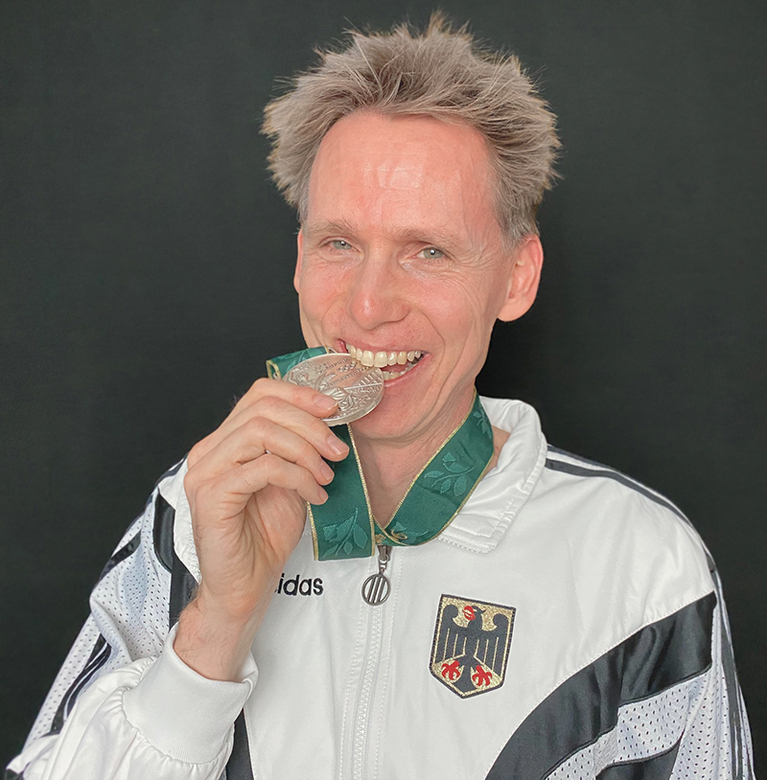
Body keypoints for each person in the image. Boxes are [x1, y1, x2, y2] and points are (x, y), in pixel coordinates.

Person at [7, 14, 754, 780]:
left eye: (427, 251)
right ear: (299, 259)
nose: (367, 308)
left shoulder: (641, 564)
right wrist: (217, 626)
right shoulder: (194, 513)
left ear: (516, 276)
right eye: (339, 244)